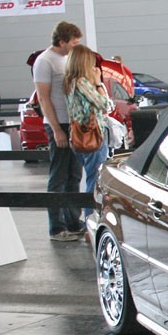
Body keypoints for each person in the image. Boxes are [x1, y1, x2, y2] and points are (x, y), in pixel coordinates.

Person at [33, 21, 83, 241]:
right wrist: (56, 130)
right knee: (58, 177)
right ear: (62, 42)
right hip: (59, 124)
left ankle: (73, 222)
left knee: (74, 175)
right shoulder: (44, 61)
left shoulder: (66, 59)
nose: (75, 47)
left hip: (72, 124)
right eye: (73, 43)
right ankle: (56, 228)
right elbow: (43, 98)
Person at [64, 44, 114, 216]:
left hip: (77, 136)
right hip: (93, 136)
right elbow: (105, 104)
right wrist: (98, 83)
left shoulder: (69, 82)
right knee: (95, 180)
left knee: (91, 177)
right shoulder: (82, 82)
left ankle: (88, 219)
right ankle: (90, 220)